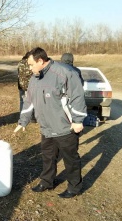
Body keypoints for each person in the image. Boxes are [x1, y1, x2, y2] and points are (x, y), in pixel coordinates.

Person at [14, 47, 87, 198]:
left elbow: (77, 97)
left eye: (31, 64)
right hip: (46, 127)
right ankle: (47, 181)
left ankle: (74, 187)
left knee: (70, 158)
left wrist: (78, 120)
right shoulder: (35, 78)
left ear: (40, 61)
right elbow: (29, 102)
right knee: (48, 156)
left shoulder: (64, 73)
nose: (29, 68)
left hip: (65, 127)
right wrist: (23, 121)